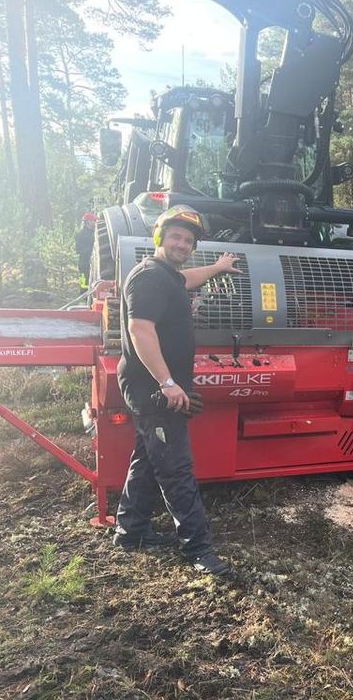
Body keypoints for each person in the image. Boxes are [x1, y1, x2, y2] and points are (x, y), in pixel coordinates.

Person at [113, 204, 242, 575]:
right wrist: (167, 383)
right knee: (176, 469)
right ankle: (198, 550)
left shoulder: (167, 275)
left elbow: (186, 280)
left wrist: (217, 268)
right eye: (175, 236)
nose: (182, 244)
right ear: (159, 238)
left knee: (147, 459)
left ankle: (131, 530)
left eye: (188, 240)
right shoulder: (149, 278)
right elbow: (141, 330)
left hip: (159, 388)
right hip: (153, 389)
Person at [75, 212, 99, 290]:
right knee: (83, 284)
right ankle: (83, 297)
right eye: (94, 221)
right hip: (84, 264)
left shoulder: (95, 234)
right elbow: (78, 250)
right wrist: (90, 251)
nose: (95, 223)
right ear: (88, 222)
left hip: (94, 263)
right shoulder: (81, 235)